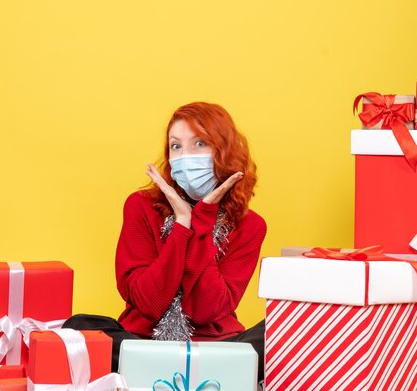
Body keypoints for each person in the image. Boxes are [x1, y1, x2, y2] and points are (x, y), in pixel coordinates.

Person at [64, 102, 267, 380]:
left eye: (199, 144)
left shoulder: (250, 225)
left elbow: (206, 310)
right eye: (176, 146)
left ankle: (161, 372)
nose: (185, 156)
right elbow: (149, 303)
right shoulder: (140, 206)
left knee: (276, 335)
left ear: (224, 151)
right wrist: (182, 225)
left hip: (217, 345)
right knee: (78, 328)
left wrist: (202, 221)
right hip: (142, 341)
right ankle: (204, 376)